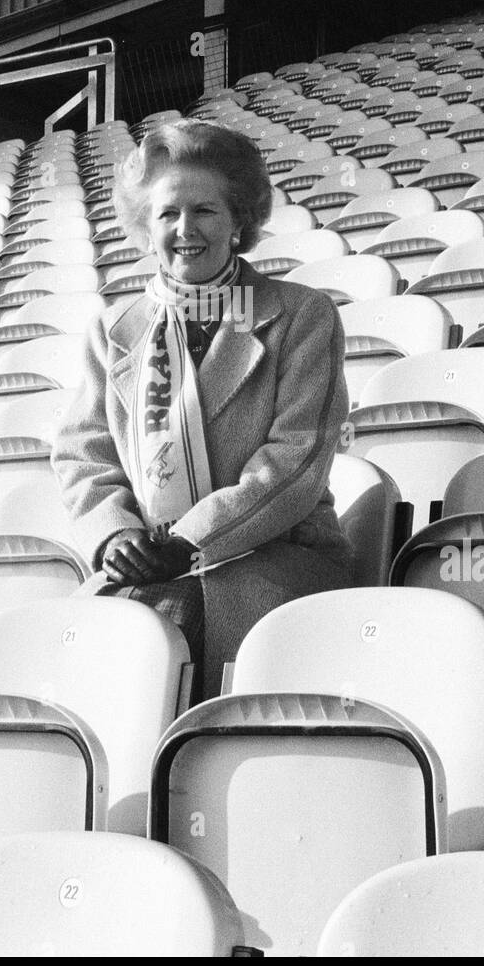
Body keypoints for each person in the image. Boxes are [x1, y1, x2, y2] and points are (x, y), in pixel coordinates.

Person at [51, 120, 352, 697]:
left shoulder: (301, 315)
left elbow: (296, 461)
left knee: (164, 628)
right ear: (146, 227)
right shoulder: (113, 329)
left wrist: (189, 542)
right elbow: (82, 453)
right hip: (146, 563)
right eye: (167, 214)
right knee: (82, 651)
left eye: (205, 211)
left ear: (240, 221)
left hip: (271, 554)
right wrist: (117, 538)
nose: (185, 229)